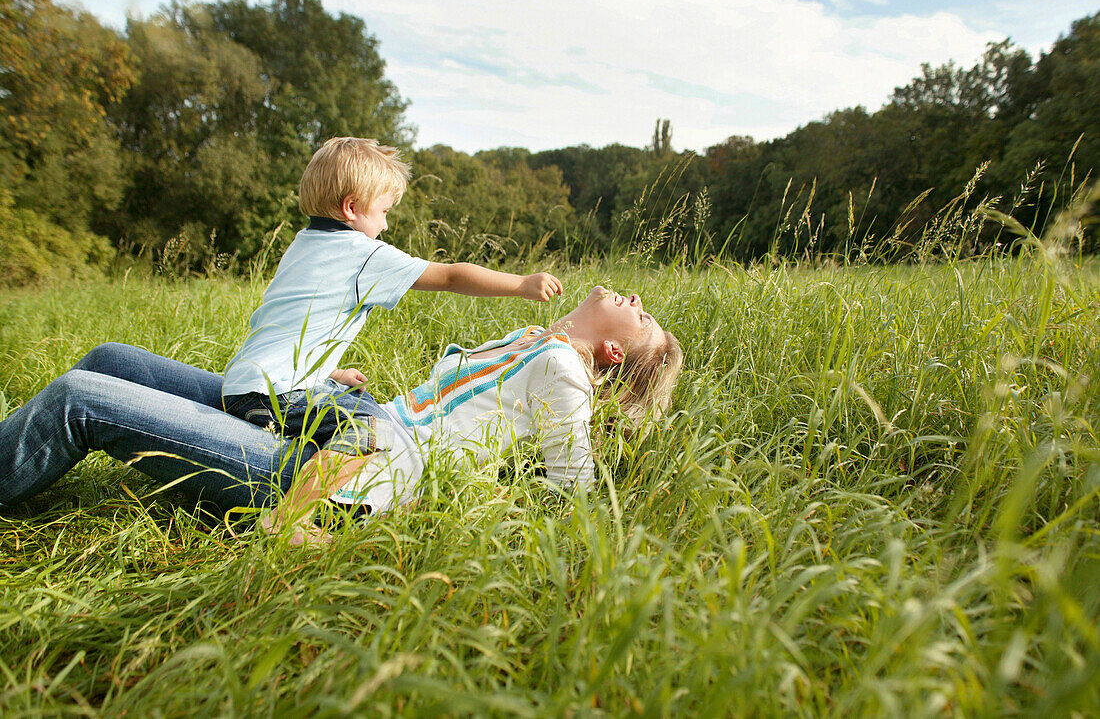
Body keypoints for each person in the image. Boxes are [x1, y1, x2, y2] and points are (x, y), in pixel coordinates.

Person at [0, 287, 682, 539]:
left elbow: (575, 487)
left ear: (614, 352)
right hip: (347, 419)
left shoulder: (565, 372)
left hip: (339, 472)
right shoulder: (536, 341)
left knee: (79, 399)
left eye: (641, 313)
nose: (631, 297)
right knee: (114, 358)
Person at [221, 136, 563, 453]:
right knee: (374, 424)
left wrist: (330, 373)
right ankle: (317, 502)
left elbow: (291, 324)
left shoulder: (303, 242)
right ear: (351, 207)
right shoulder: (361, 253)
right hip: (274, 397)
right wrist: (521, 284)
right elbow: (449, 276)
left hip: (245, 385)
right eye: (383, 212)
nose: (385, 225)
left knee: (347, 395)